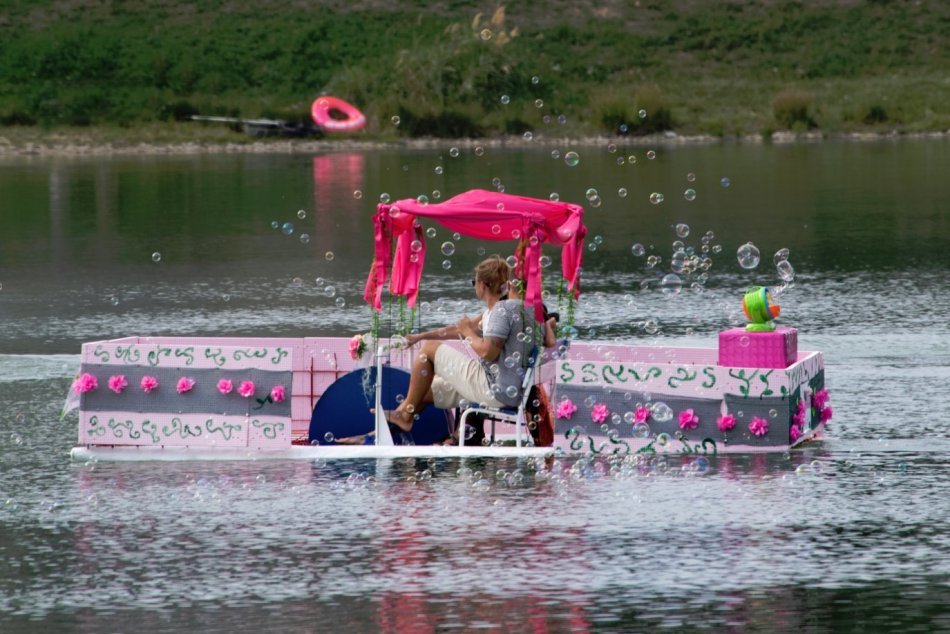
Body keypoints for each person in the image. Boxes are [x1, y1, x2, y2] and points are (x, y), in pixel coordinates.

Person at [382, 256, 548, 432]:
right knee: (421, 391)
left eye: (474, 282)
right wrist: (420, 336)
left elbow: (487, 352)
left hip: (496, 389)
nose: (474, 286)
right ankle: (379, 435)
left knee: (429, 349)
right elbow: (458, 330)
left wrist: (468, 332)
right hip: (508, 388)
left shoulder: (502, 311)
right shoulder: (506, 310)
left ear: (482, 285)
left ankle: (405, 418)